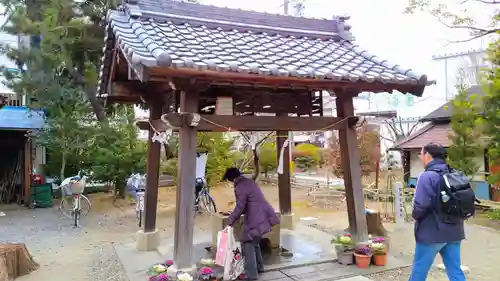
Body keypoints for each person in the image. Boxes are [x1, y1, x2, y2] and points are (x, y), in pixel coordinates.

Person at [409, 143, 466, 281]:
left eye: (421, 154)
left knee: (419, 272)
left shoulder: (427, 176)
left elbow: (421, 206)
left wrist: (414, 216)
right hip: (455, 231)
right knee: (455, 271)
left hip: (432, 233)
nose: (420, 157)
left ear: (428, 156)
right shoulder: (455, 174)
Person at [223, 167, 280, 281]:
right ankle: (259, 267)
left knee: (247, 242)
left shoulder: (240, 187)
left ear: (232, 179)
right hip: (263, 214)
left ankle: (251, 275)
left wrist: (230, 221)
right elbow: (247, 203)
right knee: (255, 241)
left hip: (256, 217)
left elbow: (240, 207)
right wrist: (233, 213)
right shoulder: (249, 182)